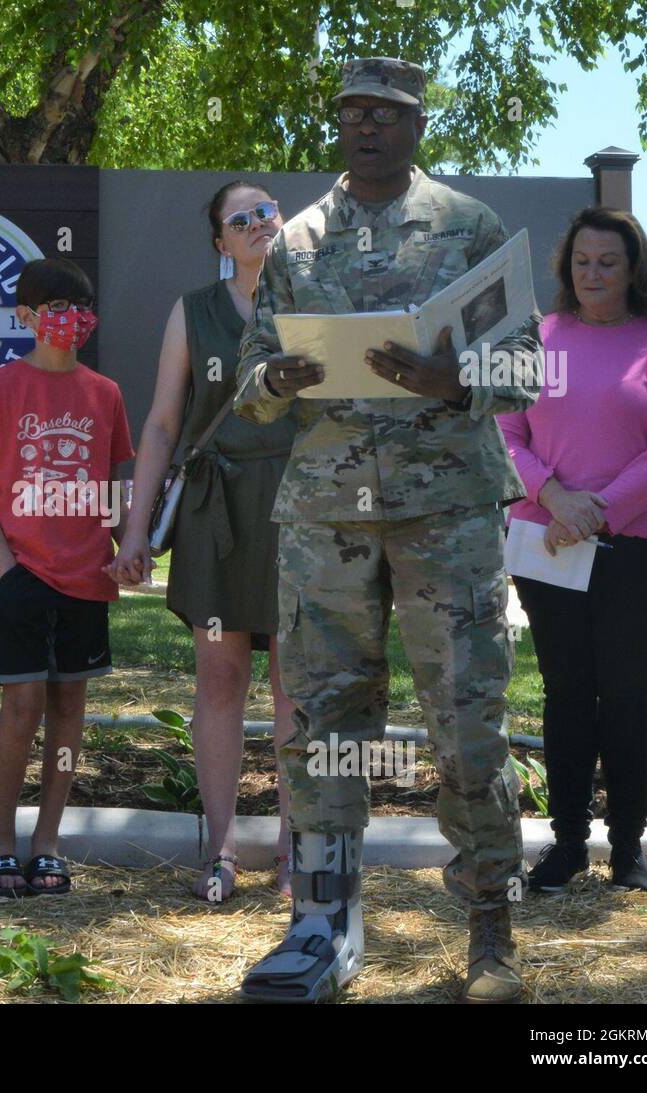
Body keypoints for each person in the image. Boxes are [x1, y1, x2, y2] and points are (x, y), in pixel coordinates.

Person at [232, 58, 543, 1004]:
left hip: (446, 515)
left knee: (467, 721)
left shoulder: (469, 226)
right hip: (327, 516)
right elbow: (247, 378)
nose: (365, 126)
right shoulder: (294, 240)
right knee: (323, 721)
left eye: (386, 114)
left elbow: (528, 367)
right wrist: (270, 384)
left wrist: (456, 384)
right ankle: (322, 923)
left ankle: (492, 932)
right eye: (352, 113)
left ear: (415, 125)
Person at [499, 207, 647, 894]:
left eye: (608, 262)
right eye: (582, 260)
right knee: (565, 696)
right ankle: (565, 846)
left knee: (625, 693)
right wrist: (557, 499)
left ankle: (628, 848)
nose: (593, 273)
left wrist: (599, 511)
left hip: (639, 546)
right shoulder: (536, 337)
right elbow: (506, 432)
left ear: (633, 269)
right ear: (567, 266)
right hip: (546, 539)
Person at [111, 181, 298, 901]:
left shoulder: (316, 306)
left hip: (298, 513)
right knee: (220, 682)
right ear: (221, 243)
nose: (258, 224)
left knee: (295, 690)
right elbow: (161, 426)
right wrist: (134, 530)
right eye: (240, 219)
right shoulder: (192, 312)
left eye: (267, 212)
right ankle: (220, 850)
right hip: (214, 512)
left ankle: (294, 853)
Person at [0, 257, 134, 896]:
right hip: (22, 576)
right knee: (22, 704)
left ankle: (47, 842)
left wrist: (127, 546)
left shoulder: (105, 393)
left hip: (87, 578)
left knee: (68, 708)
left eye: (83, 308)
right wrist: (6, 571)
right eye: (59, 309)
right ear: (27, 317)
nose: (74, 321)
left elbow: (116, 487)